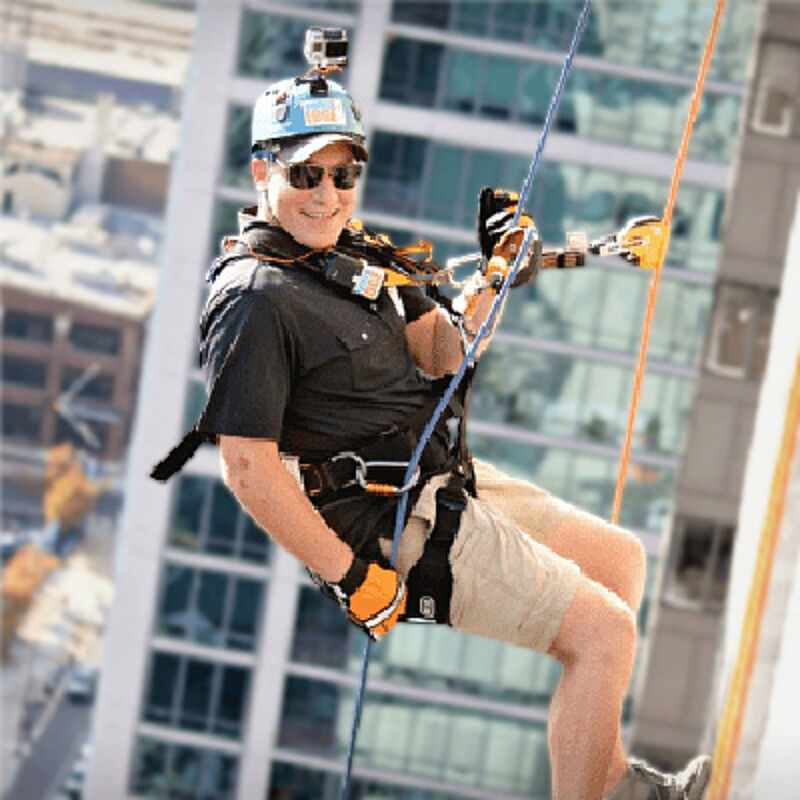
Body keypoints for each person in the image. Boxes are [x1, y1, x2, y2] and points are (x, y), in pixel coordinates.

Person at [152, 35, 710, 800]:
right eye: (305, 173)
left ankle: (608, 781)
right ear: (261, 171)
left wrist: (495, 279)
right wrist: (351, 578)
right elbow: (248, 470)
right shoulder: (255, 299)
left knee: (619, 565)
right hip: (389, 523)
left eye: (343, 173)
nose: (327, 192)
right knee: (603, 634)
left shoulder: (351, 256)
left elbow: (442, 351)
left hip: (438, 475)